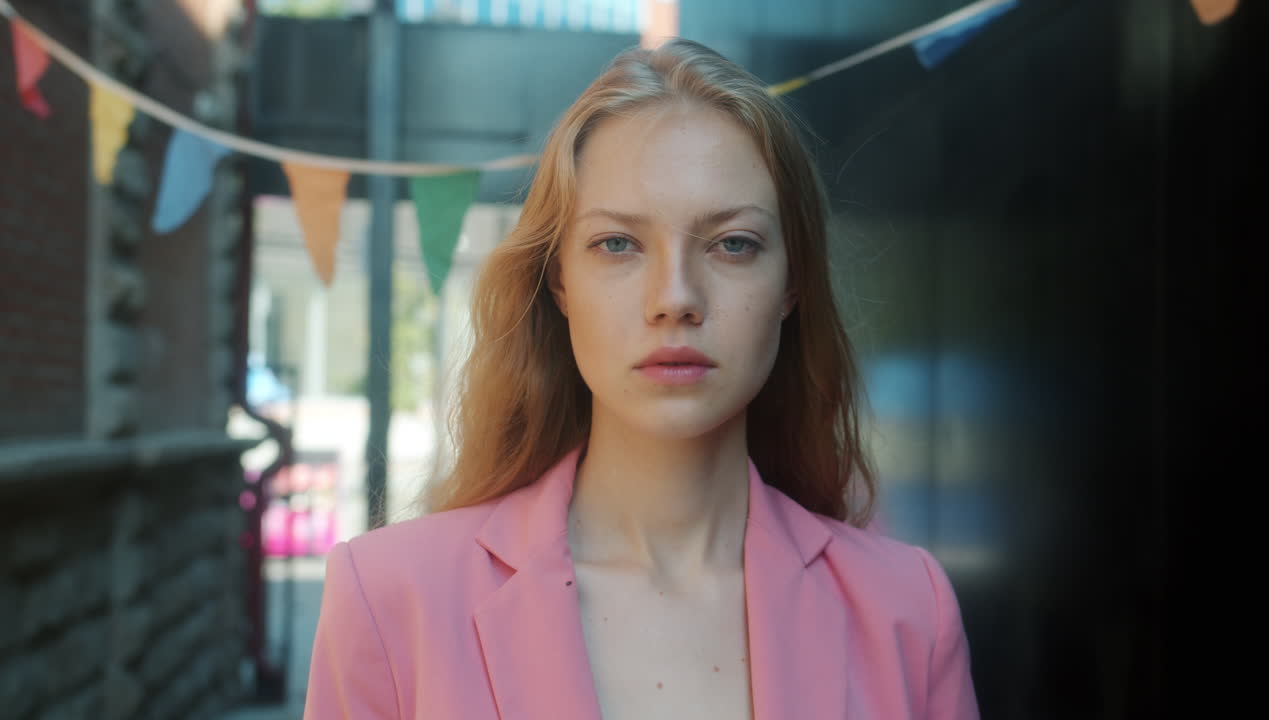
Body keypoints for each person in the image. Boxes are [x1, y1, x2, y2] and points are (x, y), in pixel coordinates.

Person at [302, 38, 979, 720]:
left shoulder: (908, 613)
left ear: (792, 283)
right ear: (558, 281)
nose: (675, 297)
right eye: (618, 244)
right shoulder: (390, 599)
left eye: (733, 243)